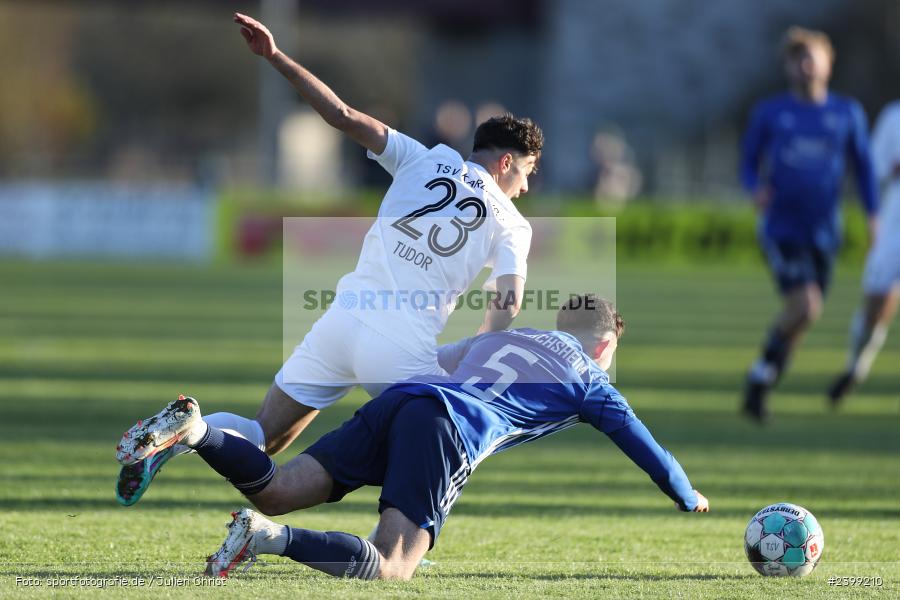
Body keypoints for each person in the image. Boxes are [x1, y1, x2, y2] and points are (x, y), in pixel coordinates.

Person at [115, 12, 543, 504]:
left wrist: (275, 56)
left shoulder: (422, 157)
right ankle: (396, 537)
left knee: (265, 433)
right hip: (400, 347)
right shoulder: (513, 223)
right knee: (444, 434)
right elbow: (508, 301)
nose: (525, 187)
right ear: (505, 162)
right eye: (526, 172)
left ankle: (190, 431)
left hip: (343, 321)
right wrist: (480, 355)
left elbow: (341, 114)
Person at [115, 294, 709, 581]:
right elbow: (651, 452)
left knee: (277, 488)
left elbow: (436, 359)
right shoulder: (591, 380)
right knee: (394, 565)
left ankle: (197, 431)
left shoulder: (507, 338)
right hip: (449, 428)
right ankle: (268, 539)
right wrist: (688, 496)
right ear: (604, 344)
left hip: (404, 399)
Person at [739, 27, 878, 423]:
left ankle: (762, 380)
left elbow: (864, 168)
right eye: (797, 58)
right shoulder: (771, 112)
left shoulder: (847, 113)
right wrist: (755, 188)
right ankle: (760, 376)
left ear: (829, 63)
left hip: (825, 232)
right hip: (782, 227)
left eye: (811, 56)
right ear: (787, 66)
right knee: (806, 304)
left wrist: (873, 215)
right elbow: (747, 161)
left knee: (804, 316)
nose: (805, 65)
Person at [827, 101, 900, 405]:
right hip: (896, 224)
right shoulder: (894, 117)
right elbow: (874, 169)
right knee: (877, 302)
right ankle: (856, 366)